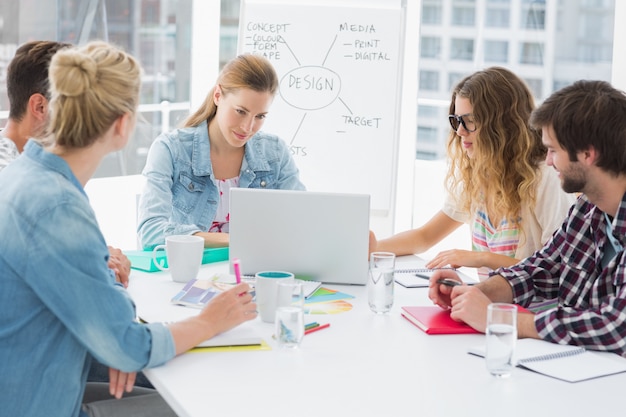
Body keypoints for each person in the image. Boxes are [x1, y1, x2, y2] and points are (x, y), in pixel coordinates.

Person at [0, 41, 257, 417]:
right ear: (122, 125)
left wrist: (119, 339)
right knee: (208, 401)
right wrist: (209, 320)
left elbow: (103, 299)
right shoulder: (58, 207)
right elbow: (128, 345)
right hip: (38, 402)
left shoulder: (28, 174)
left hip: (39, 377)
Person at [429, 79, 626, 355]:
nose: (547, 161)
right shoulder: (588, 210)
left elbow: (618, 327)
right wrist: (476, 294)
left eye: (553, 150)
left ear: (587, 154)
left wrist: (500, 319)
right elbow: (539, 270)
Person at [370, 67, 575, 280]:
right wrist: (374, 249)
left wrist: (481, 258)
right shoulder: (478, 176)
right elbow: (424, 237)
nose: (459, 131)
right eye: (457, 121)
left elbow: (556, 270)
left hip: (530, 312)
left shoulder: (545, 179)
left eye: (469, 121)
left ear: (502, 126)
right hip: (487, 306)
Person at [137, 53, 305, 250]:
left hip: (251, 273)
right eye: (240, 111)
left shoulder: (275, 153)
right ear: (218, 95)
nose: (248, 127)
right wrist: (234, 241)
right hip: (190, 275)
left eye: (260, 116)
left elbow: (300, 224)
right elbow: (150, 232)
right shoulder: (171, 149)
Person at [0, 39, 131, 285]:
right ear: (40, 106)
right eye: (73, 105)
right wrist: (98, 262)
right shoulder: (15, 175)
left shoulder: (44, 167)